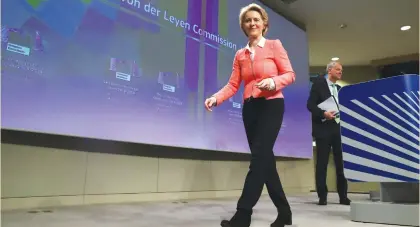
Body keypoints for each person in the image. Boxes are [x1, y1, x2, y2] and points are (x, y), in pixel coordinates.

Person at [204, 3, 295, 227]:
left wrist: (273, 82)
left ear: (264, 23)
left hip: (272, 105)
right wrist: (216, 97)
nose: (252, 23)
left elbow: (290, 74)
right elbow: (233, 85)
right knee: (266, 162)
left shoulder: (274, 46)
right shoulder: (240, 54)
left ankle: (243, 214)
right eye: (247, 20)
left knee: (258, 159)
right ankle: (285, 213)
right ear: (244, 26)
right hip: (250, 109)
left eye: (256, 19)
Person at [306, 61, 351, 206]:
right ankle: (322, 196)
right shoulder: (319, 84)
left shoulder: (339, 89)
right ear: (329, 70)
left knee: (341, 164)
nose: (340, 72)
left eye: (342, 70)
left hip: (338, 129)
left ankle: (343, 196)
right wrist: (323, 114)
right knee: (322, 163)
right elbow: (310, 105)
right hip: (323, 129)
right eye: (338, 69)